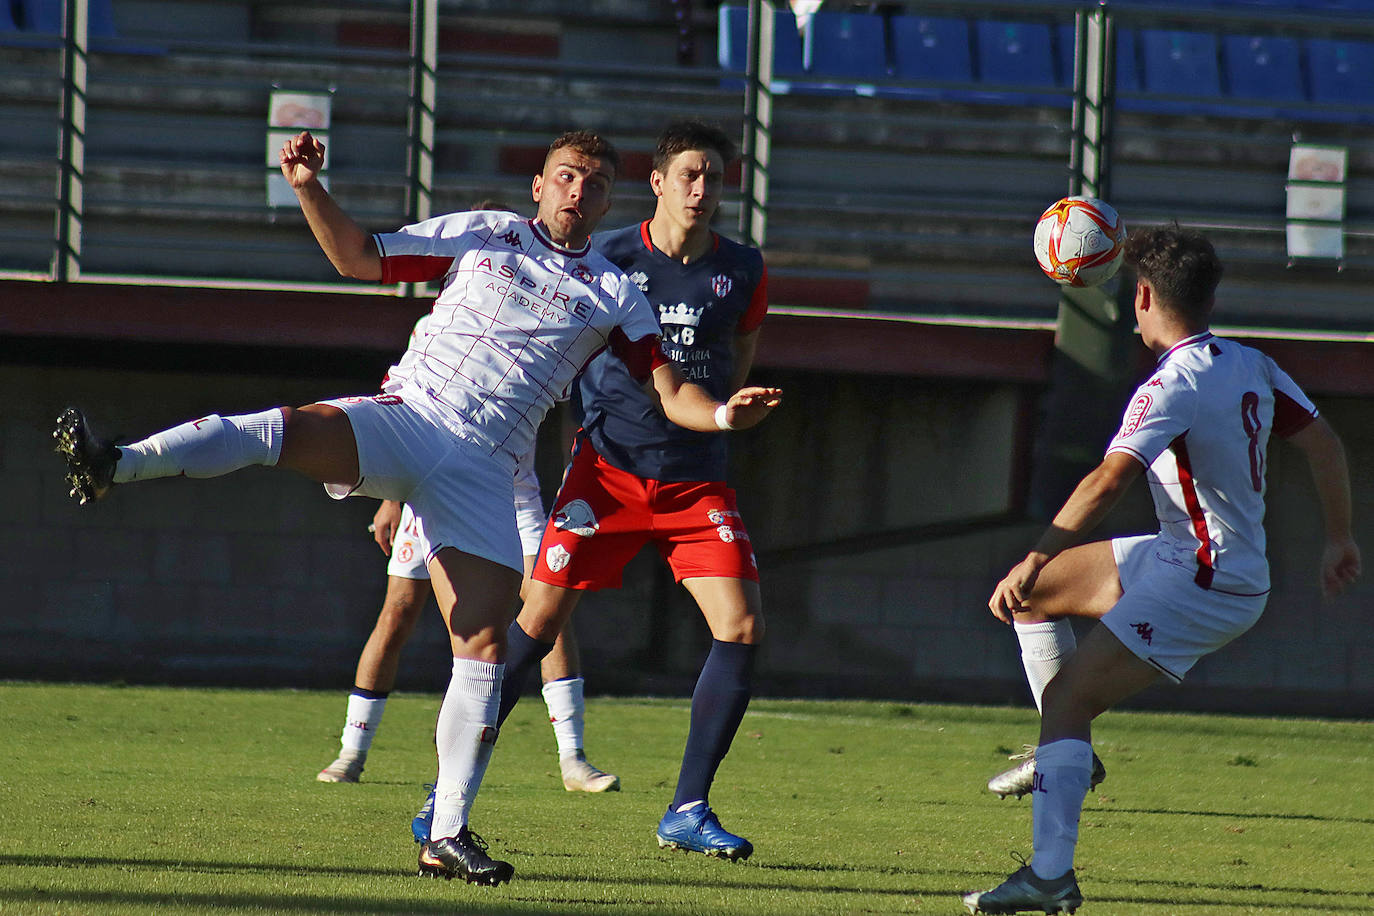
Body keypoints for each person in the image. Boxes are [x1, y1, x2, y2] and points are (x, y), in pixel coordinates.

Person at [53, 127, 782, 887]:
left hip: (485, 471)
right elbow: (361, 257)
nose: (578, 191)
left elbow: (672, 391)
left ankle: (446, 834)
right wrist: (307, 187)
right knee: (285, 428)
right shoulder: (485, 231)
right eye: (566, 176)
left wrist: (727, 416)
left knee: (487, 650)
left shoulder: (614, 291)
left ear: (607, 203)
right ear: (539, 186)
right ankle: (119, 463)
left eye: (595, 184)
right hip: (411, 419)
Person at [962, 225, 1360, 914]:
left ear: (1142, 296)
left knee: (1067, 699)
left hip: (1207, 578)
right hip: (1186, 552)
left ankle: (1051, 876)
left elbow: (1108, 480)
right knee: (1035, 604)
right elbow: (1324, 443)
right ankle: (1067, 756)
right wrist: (1340, 537)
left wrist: (1036, 553)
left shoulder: (1168, 386)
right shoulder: (1251, 364)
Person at [475, 119, 771, 862]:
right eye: (691, 176)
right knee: (535, 621)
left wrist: (729, 412)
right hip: (604, 474)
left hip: (696, 478)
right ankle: (447, 794)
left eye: (716, 178)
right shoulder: (608, 257)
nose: (703, 190)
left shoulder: (743, 267)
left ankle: (688, 808)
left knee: (739, 627)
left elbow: (738, 353)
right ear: (661, 183)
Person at [318, 316, 618, 796]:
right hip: (434, 482)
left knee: (548, 608)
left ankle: (573, 758)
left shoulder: (545, 327)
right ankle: (351, 752)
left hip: (512, 493)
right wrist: (391, 495)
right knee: (398, 610)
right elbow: (397, 408)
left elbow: (575, 406)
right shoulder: (438, 326)